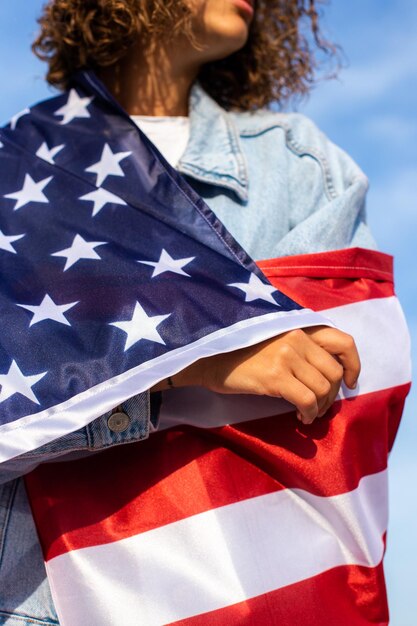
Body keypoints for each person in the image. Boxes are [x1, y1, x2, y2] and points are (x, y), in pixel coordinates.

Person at [0, 0, 376, 623]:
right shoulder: (15, 166)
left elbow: (333, 399)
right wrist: (192, 358)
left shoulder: (301, 166)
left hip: (246, 593)